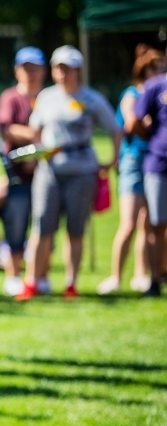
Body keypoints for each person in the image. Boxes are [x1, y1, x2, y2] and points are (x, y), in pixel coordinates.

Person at [17, 45, 121, 300]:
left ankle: (71, 283)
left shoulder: (91, 99)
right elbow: (36, 131)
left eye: (68, 69)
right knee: (42, 225)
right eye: (58, 68)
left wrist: (112, 160)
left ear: (77, 70)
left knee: (75, 228)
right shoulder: (46, 97)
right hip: (50, 169)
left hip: (82, 170)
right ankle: (33, 280)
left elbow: (115, 129)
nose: (63, 74)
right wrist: (35, 155)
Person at [97, 46, 164, 295]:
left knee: (149, 224)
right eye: (156, 68)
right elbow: (131, 122)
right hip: (134, 160)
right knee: (128, 223)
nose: (160, 73)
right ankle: (115, 276)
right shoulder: (133, 93)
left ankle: (141, 274)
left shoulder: (159, 94)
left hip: (155, 162)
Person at [0, 46, 46, 296]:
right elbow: (5, 127)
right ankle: (13, 275)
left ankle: (40, 275)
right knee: (16, 223)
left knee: (45, 226)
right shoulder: (10, 97)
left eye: (34, 68)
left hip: (47, 175)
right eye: (25, 68)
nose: (30, 73)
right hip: (18, 175)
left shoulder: (48, 97)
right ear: (17, 70)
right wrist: (36, 137)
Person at [133, 52, 167, 297]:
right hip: (159, 164)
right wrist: (153, 141)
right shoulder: (156, 85)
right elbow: (134, 121)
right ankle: (155, 279)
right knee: (156, 224)